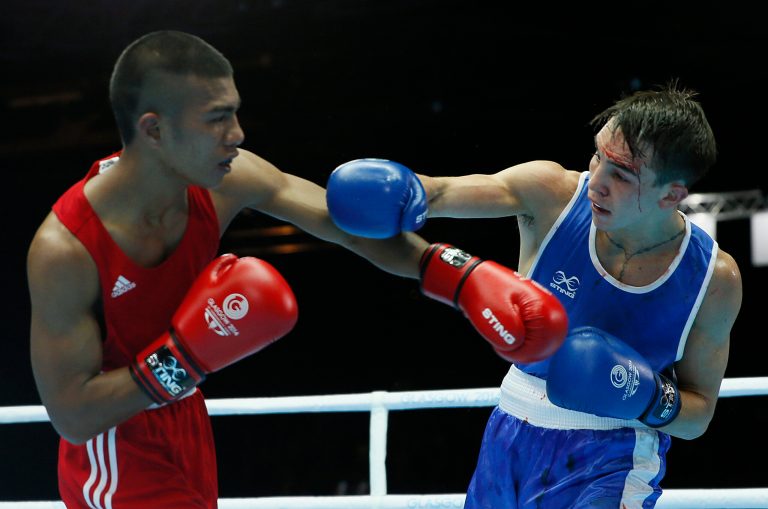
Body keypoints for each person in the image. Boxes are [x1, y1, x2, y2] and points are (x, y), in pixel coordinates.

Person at [26, 30, 440, 508]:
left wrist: (454, 277)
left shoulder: (226, 179)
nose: (238, 133)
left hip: (185, 420)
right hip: (112, 447)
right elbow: (72, 417)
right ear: (155, 130)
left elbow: (345, 227)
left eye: (234, 112)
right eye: (217, 119)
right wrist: (186, 357)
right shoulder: (67, 248)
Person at [325, 83, 743, 507]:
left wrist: (644, 394)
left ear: (671, 194)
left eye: (621, 175)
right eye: (598, 156)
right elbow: (439, 193)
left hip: (613, 459)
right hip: (509, 432)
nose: (596, 182)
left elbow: (698, 416)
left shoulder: (713, 278)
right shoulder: (551, 195)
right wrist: (405, 193)